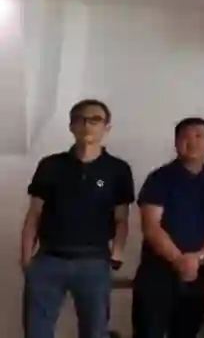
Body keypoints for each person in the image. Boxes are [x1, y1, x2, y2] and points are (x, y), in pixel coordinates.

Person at [21, 99, 135, 338]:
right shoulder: (51, 165)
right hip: (49, 260)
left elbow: (121, 218)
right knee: (37, 331)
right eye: (80, 119)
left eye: (95, 120)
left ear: (106, 127)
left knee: (95, 330)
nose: (87, 125)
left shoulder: (117, 169)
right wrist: (27, 259)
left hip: (94, 261)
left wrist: (116, 255)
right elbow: (34, 214)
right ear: (71, 126)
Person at [132, 117, 204, 338]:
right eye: (185, 136)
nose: (191, 141)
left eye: (198, 136)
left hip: (197, 276)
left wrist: (199, 258)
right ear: (175, 142)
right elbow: (151, 226)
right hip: (157, 274)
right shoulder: (159, 178)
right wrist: (179, 259)